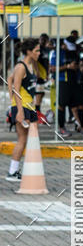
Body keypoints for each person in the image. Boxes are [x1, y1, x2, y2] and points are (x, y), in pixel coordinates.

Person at [6, 38, 40, 182]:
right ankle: (13, 172)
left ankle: (19, 170)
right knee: (22, 139)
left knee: (29, 140)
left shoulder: (31, 65)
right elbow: (15, 87)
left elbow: (9, 79)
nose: (39, 53)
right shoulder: (21, 67)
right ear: (29, 51)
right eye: (36, 50)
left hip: (29, 106)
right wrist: (17, 109)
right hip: (23, 107)